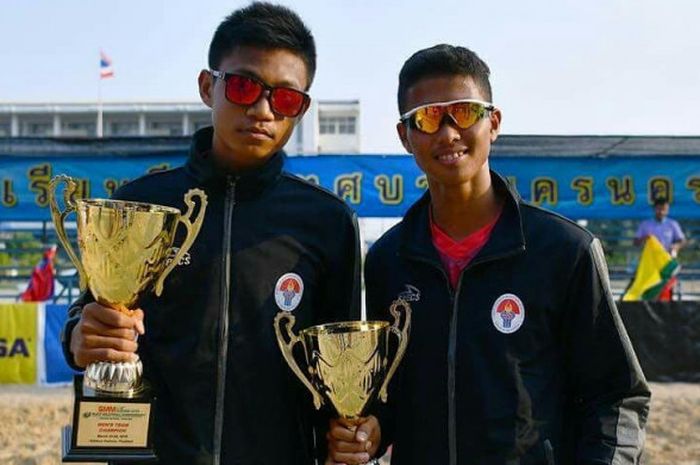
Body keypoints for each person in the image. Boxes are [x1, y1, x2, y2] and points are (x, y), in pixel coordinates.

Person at [61, 3, 361, 464]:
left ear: (300, 109)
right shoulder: (141, 204)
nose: (262, 110)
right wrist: (81, 338)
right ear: (208, 87)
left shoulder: (327, 220)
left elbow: (336, 367)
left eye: (285, 99)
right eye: (243, 86)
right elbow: (90, 315)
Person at [327, 44, 650, 465]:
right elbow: (394, 391)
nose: (447, 133)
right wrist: (373, 428)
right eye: (426, 118)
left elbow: (618, 395)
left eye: (463, 112)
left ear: (493, 122)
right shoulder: (389, 259)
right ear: (405, 136)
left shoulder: (565, 251)